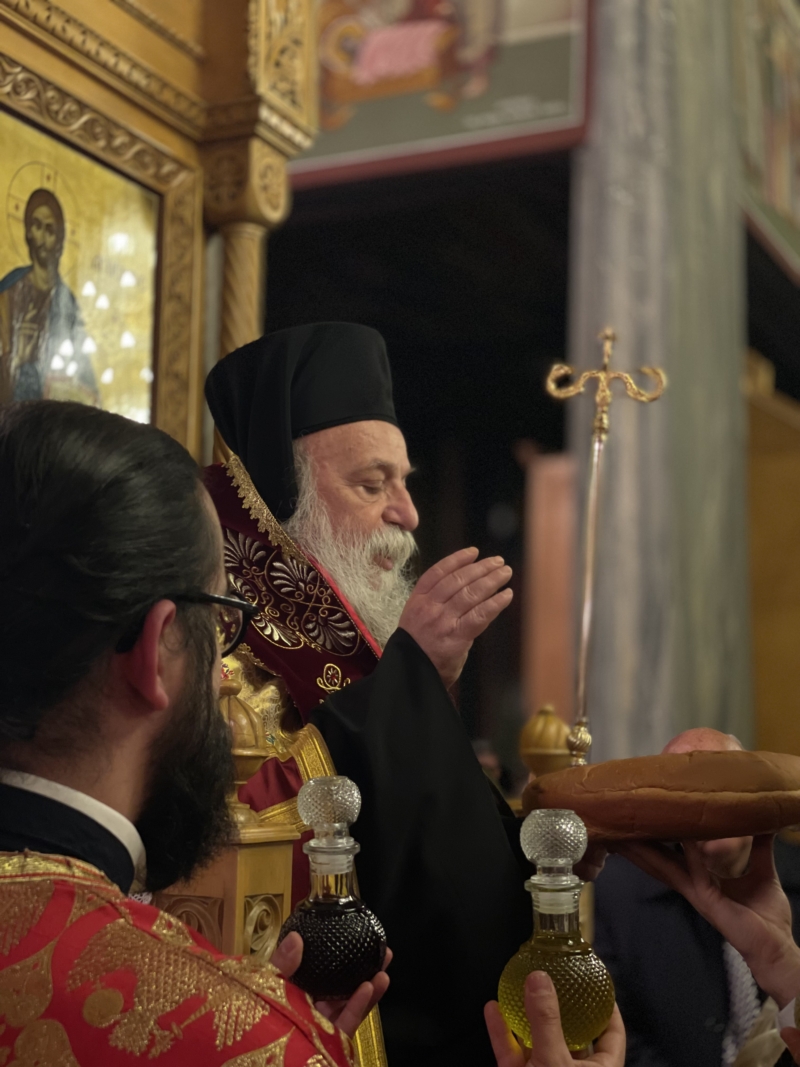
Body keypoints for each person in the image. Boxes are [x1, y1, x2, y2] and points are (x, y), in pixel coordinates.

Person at [0, 400, 386, 1066]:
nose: (224, 679)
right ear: (155, 653)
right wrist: (267, 1035)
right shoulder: (243, 1042)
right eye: (220, 624)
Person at [204, 321, 531, 1067]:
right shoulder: (218, 642)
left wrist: (525, 851)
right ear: (281, 499)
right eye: (372, 484)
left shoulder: (352, 646)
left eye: (405, 482)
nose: (407, 512)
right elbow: (250, 821)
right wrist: (408, 686)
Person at [595, 728, 800, 1067]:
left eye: (723, 781)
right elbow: (619, 1038)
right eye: (687, 791)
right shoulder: (618, 896)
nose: (709, 801)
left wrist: (780, 961)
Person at [0, 189, 97, 404]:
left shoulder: (68, 303)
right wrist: (16, 358)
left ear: (60, 239)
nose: (42, 238)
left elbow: (86, 379)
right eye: (36, 226)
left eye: (50, 230)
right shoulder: (9, 291)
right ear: (28, 231)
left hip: (53, 417)